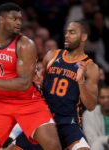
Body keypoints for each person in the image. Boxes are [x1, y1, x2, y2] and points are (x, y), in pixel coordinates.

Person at [0, 3, 61, 150]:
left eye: (20, 18)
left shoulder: (25, 44)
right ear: (1, 19)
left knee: (53, 145)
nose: (19, 22)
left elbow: (24, 83)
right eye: (14, 19)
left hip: (27, 102)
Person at [7, 20, 99, 150]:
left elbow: (90, 105)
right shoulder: (51, 55)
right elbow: (41, 92)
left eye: (72, 32)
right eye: (66, 32)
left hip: (68, 123)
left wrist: (80, 81)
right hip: (44, 120)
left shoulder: (90, 67)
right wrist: (37, 84)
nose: (66, 35)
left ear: (83, 37)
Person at [83, 84, 109, 150]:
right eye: (102, 97)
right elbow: (91, 139)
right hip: (99, 147)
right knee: (96, 145)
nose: (106, 100)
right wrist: (107, 139)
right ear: (98, 99)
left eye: (108, 97)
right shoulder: (89, 114)